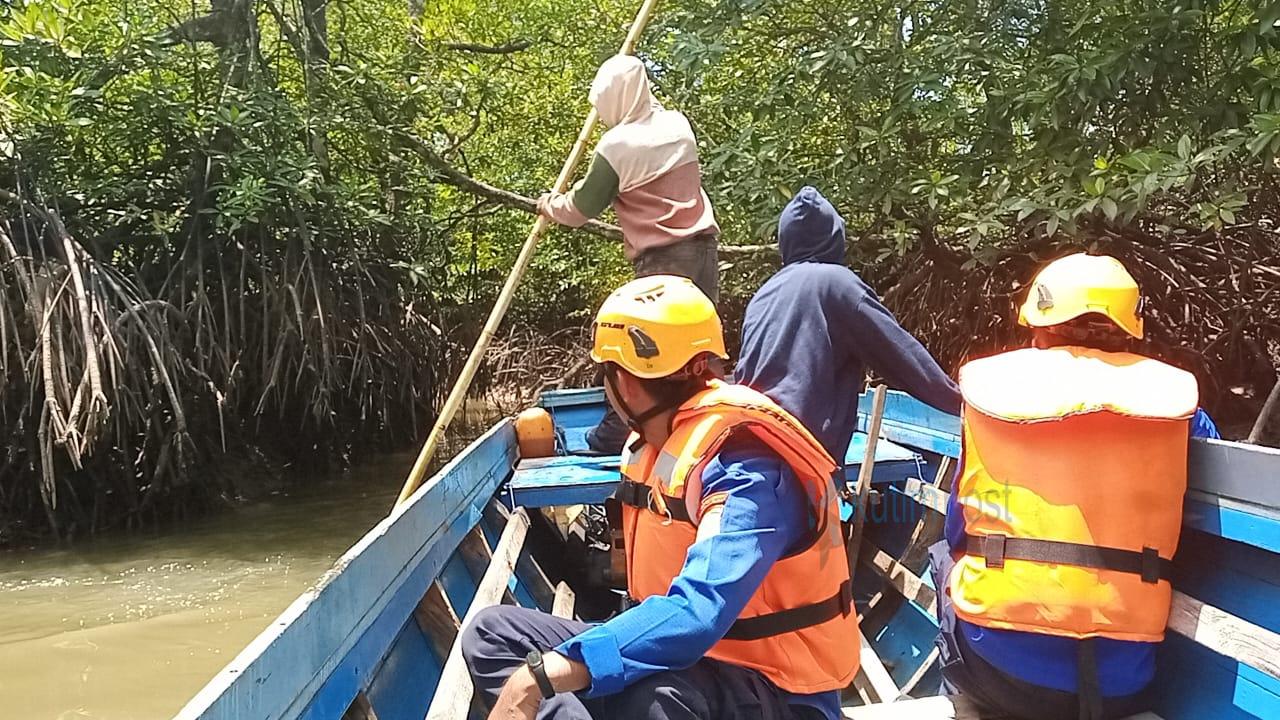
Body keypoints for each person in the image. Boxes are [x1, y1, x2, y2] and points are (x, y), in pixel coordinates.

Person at [461, 275, 858, 720]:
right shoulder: (660, 445)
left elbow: (697, 613)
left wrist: (539, 676)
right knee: (492, 633)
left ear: (624, 384)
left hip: (778, 692)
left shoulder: (747, 466)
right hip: (691, 664)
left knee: (650, 697)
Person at [930, 253, 1218, 720]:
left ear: (1039, 325)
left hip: (1003, 675)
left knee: (945, 559)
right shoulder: (1182, 409)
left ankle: (966, 708)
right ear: (1130, 327)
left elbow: (956, 530)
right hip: (1124, 680)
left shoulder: (990, 394)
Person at [536, 54, 720, 455]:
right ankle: (708, 429)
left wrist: (550, 203)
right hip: (704, 253)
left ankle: (614, 434)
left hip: (662, 263)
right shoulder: (678, 125)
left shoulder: (618, 145)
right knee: (697, 350)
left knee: (634, 351)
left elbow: (580, 209)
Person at [735, 186, 962, 464]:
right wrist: (963, 404)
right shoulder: (837, 283)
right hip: (798, 453)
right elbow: (901, 357)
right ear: (835, 238)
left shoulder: (764, 293)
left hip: (748, 435)